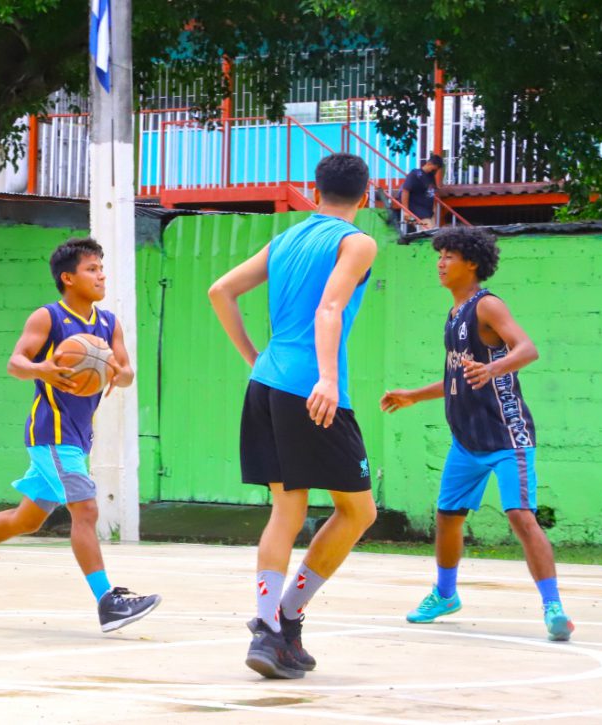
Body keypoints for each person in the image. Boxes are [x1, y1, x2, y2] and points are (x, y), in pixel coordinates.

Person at [0, 238, 161, 632]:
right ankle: (108, 602)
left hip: (78, 437)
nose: (101, 276)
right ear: (68, 278)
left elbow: (126, 372)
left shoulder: (108, 324)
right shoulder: (48, 317)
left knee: (27, 519)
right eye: (91, 269)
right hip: (51, 433)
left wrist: (119, 372)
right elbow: (16, 363)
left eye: (101, 269)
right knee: (86, 510)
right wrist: (41, 369)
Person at [208, 153, 379, 680]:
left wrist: (251, 356)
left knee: (286, 510)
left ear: (314, 190)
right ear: (365, 195)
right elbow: (329, 308)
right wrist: (327, 378)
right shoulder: (357, 242)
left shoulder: (285, 239)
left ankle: (271, 628)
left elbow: (220, 291)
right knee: (358, 512)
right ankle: (283, 617)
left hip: (265, 382)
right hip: (310, 388)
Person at [380, 227, 573, 641]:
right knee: (448, 516)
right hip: (466, 440)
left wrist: (493, 368)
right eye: (439, 256)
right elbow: (457, 377)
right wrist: (413, 395)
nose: (440, 263)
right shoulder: (454, 315)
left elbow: (527, 348)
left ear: (471, 263)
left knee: (520, 515)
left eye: (449, 256)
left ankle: (553, 607)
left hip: (506, 436)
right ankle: (445, 594)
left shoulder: (487, 305)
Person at [399, 153, 444, 229]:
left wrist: (434, 209)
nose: (435, 172)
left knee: (433, 232)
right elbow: (405, 190)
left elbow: (431, 192)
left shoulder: (431, 177)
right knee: (428, 231)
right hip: (416, 212)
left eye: (436, 170)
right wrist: (406, 211)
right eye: (434, 170)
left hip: (428, 212)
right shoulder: (415, 174)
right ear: (429, 163)